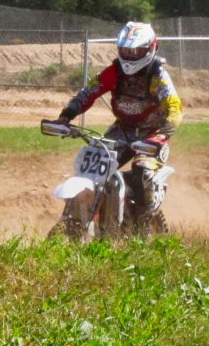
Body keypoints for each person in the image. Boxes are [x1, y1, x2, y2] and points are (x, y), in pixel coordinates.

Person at [54, 21, 183, 226]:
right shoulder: (114, 72)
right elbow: (88, 93)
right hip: (122, 130)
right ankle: (81, 216)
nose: (130, 56)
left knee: (142, 172)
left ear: (150, 49)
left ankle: (143, 228)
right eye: (126, 50)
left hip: (151, 135)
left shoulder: (157, 75)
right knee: (94, 168)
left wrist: (162, 135)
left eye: (136, 51)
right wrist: (66, 116)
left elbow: (175, 108)